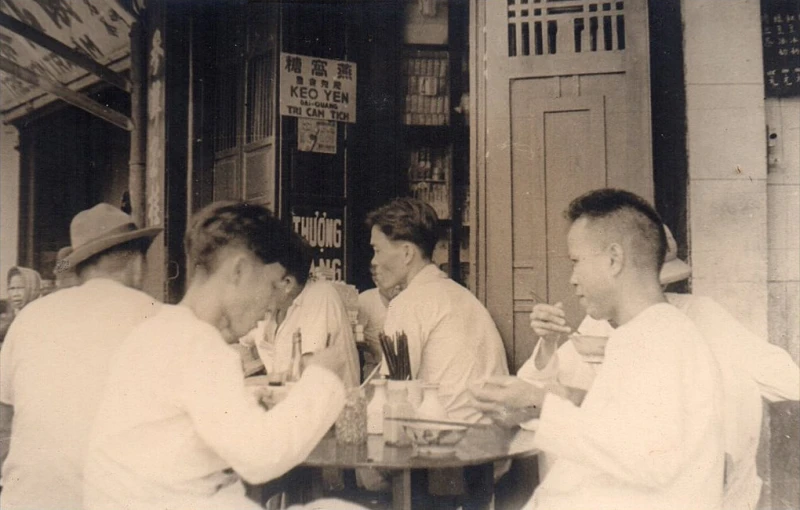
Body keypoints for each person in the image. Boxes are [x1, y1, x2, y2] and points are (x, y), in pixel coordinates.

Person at [83, 201, 365, 510]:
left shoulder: (158, 330)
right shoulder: (197, 343)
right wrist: (322, 378)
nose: (271, 302)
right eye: (271, 285)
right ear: (240, 271)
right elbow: (260, 457)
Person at [472, 188, 726, 510]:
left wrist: (539, 403)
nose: (573, 279)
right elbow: (620, 429)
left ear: (614, 259)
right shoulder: (640, 334)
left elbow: (651, 458)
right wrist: (537, 401)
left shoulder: (663, 338)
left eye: (576, 262)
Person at [515, 225, 800, 510]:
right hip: (611, 479)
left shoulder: (700, 317)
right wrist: (549, 342)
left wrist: (703, 361)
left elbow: (787, 380)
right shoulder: (598, 324)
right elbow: (533, 391)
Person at [0, 203, 162, 510]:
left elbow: (3, 421)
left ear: (78, 266)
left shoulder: (29, 317)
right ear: (138, 262)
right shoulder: (156, 317)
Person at [367, 197, 509, 423]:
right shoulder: (458, 293)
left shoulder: (408, 303)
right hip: (492, 437)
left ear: (406, 253)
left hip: (447, 438)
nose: (374, 261)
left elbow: (394, 395)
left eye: (377, 250)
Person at [240, 231, 360, 387]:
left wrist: (248, 382)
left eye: (262, 277)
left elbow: (301, 374)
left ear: (287, 283)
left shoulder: (321, 296)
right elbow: (243, 341)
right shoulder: (274, 307)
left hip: (332, 407)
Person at [357, 265, 401, 377]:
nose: (397, 287)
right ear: (376, 281)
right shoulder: (365, 300)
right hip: (375, 370)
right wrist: (373, 349)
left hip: (402, 369)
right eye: (392, 282)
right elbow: (354, 337)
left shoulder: (404, 300)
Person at [0, 267, 43, 346]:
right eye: (12, 288)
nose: (15, 294)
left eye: (20, 288)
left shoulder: (39, 317)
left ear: (33, 288)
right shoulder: (13, 314)